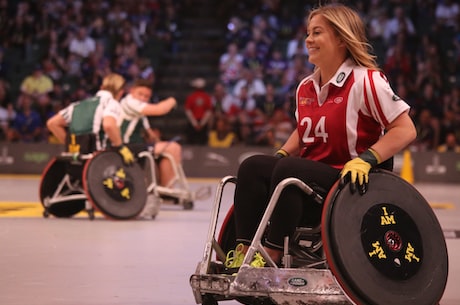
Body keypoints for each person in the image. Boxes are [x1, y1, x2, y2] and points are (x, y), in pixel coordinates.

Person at [224, 4, 417, 269]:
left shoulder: (366, 81)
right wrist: (282, 153)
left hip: (349, 181)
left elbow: (405, 129)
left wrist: (367, 159)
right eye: (307, 33)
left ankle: (272, 254)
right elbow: (305, 130)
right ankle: (244, 251)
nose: (308, 40)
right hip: (310, 175)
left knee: (290, 169)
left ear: (340, 38)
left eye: (317, 33)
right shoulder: (306, 86)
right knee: (253, 165)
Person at [46, 73, 134, 164]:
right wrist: (120, 147)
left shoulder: (77, 105)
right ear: (121, 92)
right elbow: (109, 125)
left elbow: (52, 123)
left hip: (76, 160)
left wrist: (71, 144)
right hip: (99, 161)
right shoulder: (111, 103)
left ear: (101, 87)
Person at [119, 78, 179, 187]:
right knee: (173, 148)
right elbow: (160, 109)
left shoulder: (139, 111)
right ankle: (166, 189)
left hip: (137, 145)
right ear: (132, 91)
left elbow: (150, 134)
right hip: (127, 146)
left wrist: (159, 142)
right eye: (140, 94)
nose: (142, 98)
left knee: (167, 149)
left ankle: (164, 187)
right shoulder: (130, 102)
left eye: (146, 96)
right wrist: (173, 100)